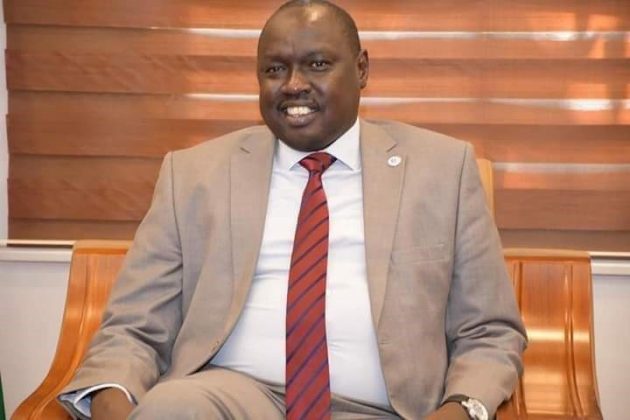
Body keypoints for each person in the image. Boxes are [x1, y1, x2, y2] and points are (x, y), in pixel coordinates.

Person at [59, 1, 527, 419]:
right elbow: (134, 327)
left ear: (361, 69)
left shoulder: (443, 170)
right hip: (231, 397)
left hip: (381, 409)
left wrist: (462, 409)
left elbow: (489, 331)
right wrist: (115, 402)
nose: (294, 85)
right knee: (173, 406)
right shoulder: (193, 175)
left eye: (317, 64)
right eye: (275, 69)